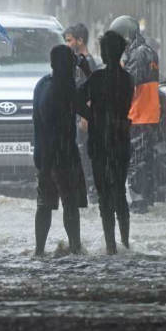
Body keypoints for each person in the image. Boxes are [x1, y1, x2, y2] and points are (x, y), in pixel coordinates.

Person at [78, 31, 134, 255]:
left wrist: (91, 117)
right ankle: (126, 243)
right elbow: (110, 91)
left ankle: (111, 246)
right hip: (120, 141)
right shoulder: (127, 79)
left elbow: (77, 99)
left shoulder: (97, 79)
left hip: (100, 141)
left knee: (104, 196)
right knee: (119, 191)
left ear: (104, 52)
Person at [32, 45, 88, 256]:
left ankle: (39, 251)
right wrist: (88, 70)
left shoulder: (42, 85)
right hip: (63, 156)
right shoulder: (66, 90)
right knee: (70, 205)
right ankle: (75, 249)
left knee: (44, 205)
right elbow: (89, 111)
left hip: (43, 155)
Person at [109, 15, 160, 213]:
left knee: (136, 162)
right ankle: (146, 199)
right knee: (145, 160)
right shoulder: (149, 52)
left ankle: (139, 203)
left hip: (139, 115)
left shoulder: (138, 54)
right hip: (149, 114)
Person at [64, 23, 98, 200]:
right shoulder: (77, 62)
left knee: (86, 155)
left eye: (69, 41)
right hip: (78, 115)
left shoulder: (88, 62)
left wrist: (86, 116)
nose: (67, 44)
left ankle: (92, 192)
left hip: (85, 118)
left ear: (80, 40)